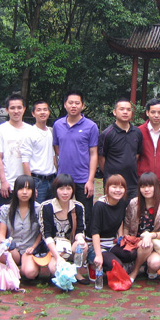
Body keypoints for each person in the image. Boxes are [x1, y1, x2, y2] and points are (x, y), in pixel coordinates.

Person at [52, 90, 99, 237]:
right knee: (61, 212)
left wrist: (90, 180)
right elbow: (57, 148)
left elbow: (93, 154)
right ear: (65, 105)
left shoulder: (91, 126)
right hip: (63, 178)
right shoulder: (58, 125)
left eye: (77, 103)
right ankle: (64, 239)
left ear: (83, 105)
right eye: (70, 103)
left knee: (85, 214)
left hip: (82, 178)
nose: (73, 106)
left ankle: (85, 241)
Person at [122, 172, 160, 282]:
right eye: (143, 186)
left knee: (155, 263)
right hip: (135, 241)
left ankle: (146, 269)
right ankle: (135, 271)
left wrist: (150, 236)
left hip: (155, 242)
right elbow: (126, 225)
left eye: (150, 186)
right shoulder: (134, 203)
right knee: (146, 245)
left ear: (156, 187)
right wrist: (126, 239)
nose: (146, 190)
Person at [39, 174, 89, 284]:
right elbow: (46, 235)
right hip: (53, 247)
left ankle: (77, 271)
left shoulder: (78, 207)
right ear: (55, 189)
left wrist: (80, 239)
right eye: (61, 189)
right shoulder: (46, 207)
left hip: (70, 245)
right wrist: (57, 256)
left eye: (68, 189)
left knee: (83, 246)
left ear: (73, 190)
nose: (65, 193)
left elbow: (80, 230)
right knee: (55, 270)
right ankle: (60, 267)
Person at [0, 175, 43, 280]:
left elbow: (42, 233)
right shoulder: (6, 209)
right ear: (15, 191)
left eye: (28, 189)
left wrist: (34, 247)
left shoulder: (39, 209)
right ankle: (9, 269)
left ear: (33, 191)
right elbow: (1, 235)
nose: (24, 192)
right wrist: (5, 243)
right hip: (12, 249)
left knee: (30, 273)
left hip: (29, 250)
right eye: (21, 188)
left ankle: (24, 268)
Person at [0, 93, 30, 206]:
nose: (16, 111)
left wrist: (31, 183)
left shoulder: (31, 130)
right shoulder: (0, 130)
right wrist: (3, 181)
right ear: (7, 110)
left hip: (26, 186)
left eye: (19, 107)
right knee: (6, 215)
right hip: (8, 186)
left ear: (24, 109)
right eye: (12, 108)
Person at [98, 98, 143, 199]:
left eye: (128, 109)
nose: (125, 112)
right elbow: (101, 158)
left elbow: (136, 155)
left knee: (133, 208)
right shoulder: (107, 134)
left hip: (132, 182)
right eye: (122, 109)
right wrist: (109, 174)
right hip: (113, 184)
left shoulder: (137, 132)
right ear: (114, 112)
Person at [89, 174, 130, 273]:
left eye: (121, 187)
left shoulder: (121, 202)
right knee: (116, 265)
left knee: (131, 254)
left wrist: (121, 238)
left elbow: (120, 220)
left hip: (111, 243)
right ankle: (92, 265)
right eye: (114, 187)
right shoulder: (99, 206)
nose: (118, 190)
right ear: (107, 188)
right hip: (96, 245)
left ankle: (112, 259)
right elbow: (95, 232)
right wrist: (98, 255)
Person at [20, 101, 56, 202]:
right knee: (37, 209)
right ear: (33, 113)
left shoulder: (51, 132)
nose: (42, 112)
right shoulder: (29, 133)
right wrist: (30, 185)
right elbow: (25, 161)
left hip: (52, 179)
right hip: (37, 181)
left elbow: (53, 156)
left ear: (49, 112)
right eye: (39, 110)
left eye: (45, 109)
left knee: (51, 209)